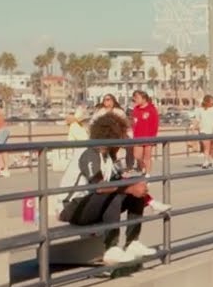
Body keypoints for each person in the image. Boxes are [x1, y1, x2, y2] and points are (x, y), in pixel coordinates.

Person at [54, 113, 159, 266]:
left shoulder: (108, 157)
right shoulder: (88, 152)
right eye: (120, 140)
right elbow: (100, 187)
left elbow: (118, 182)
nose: (121, 145)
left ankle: (132, 243)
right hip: (71, 208)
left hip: (92, 204)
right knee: (113, 193)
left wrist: (136, 186)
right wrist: (128, 188)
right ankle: (111, 247)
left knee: (133, 190)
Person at [130, 90, 159, 173]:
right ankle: (142, 167)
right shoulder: (135, 109)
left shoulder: (151, 109)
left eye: (137, 97)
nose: (135, 99)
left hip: (149, 137)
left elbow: (155, 124)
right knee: (137, 156)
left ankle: (147, 174)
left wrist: (153, 137)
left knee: (147, 157)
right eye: (134, 98)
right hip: (138, 137)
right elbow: (134, 123)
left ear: (144, 99)